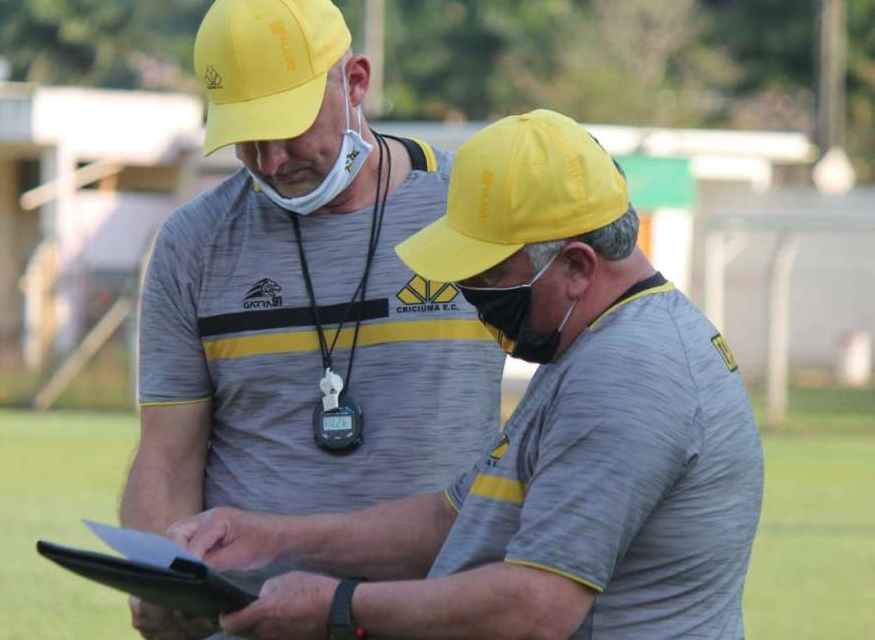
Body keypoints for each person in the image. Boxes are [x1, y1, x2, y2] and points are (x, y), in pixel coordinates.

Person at [168, 109, 765, 639]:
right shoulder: (594, 346)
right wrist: (265, 537)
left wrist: (336, 606)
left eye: (490, 272)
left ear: (578, 266)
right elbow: (452, 518)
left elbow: (535, 609)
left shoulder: (626, 374)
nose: (470, 293)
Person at [119, 0, 505, 639]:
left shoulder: (471, 211)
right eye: (245, 137)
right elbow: (167, 454)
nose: (270, 159)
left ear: (355, 81)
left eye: (287, 127)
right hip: (254, 623)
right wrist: (161, 573)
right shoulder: (193, 244)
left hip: (440, 617)